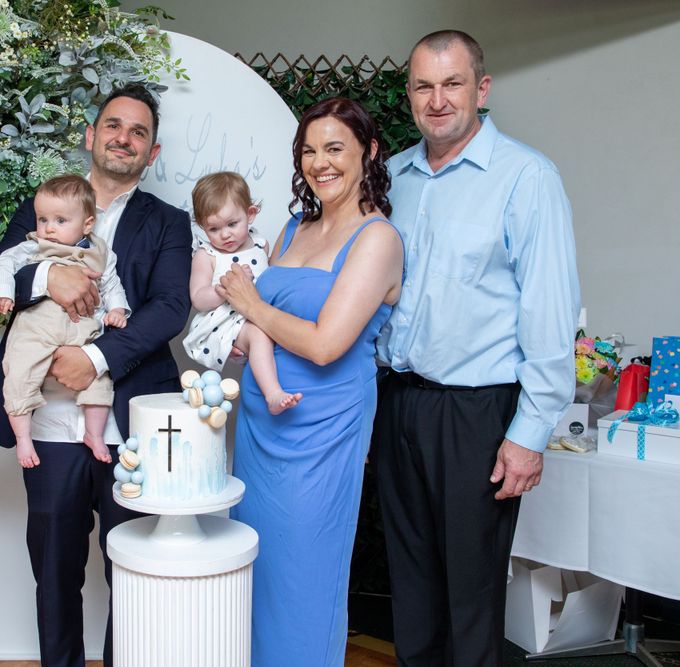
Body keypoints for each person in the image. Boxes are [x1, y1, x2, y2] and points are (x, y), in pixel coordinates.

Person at [372, 30, 580, 666]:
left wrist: (530, 432)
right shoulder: (392, 179)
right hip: (398, 404)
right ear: (408, 95)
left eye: (453, 83)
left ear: (481, 90)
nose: (438, 100)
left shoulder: (526, 177)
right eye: (424, 86)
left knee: (472, 593)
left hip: (478, 415)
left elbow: (551, 311)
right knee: (409, 587)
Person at [0, 84, 192, 667]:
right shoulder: (43, 205)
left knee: (134, 569)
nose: (124, 138)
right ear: (91, 136)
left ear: (153, 150)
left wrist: (94, 359)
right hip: (46, 426)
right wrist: (48, 281)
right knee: (54, 568)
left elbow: (170, 307)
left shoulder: (169, 222)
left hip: (130, 422)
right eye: (113, 125)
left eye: (138, 132)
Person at [218, 97, 404, 667]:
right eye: (308, 151)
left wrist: (251, 302)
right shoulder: (295, 226)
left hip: (320, 431)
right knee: (256, 570)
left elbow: (326, 344)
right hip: (258, 428)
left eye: (335, 149)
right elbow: (256, 326)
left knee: (305, 575)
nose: (319, 163)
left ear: (368, 152)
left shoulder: (377, 239)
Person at [0, 174, 130, 467]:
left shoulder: (100, 254)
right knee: (19, 375)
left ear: (87, 224)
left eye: (60, 221)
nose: (48, 228)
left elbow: (112, 284)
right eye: (42, 220)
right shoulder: (34, 247)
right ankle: (24, 439)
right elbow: (2, 263)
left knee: (100, 381)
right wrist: (2, 292)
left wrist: (117, 309)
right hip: (36, 329)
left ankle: (94, 433)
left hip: (84, 331)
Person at [182, 171, 301, 414]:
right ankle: (273, 394)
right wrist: (225, 290)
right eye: (213, 229)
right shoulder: (207, 256)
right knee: (258, 334)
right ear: (201, 226)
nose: (224, 235)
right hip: (224, 322)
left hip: (257, 313)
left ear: (250, 214)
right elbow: (198, 298)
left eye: (232, 224)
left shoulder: (260, 243)